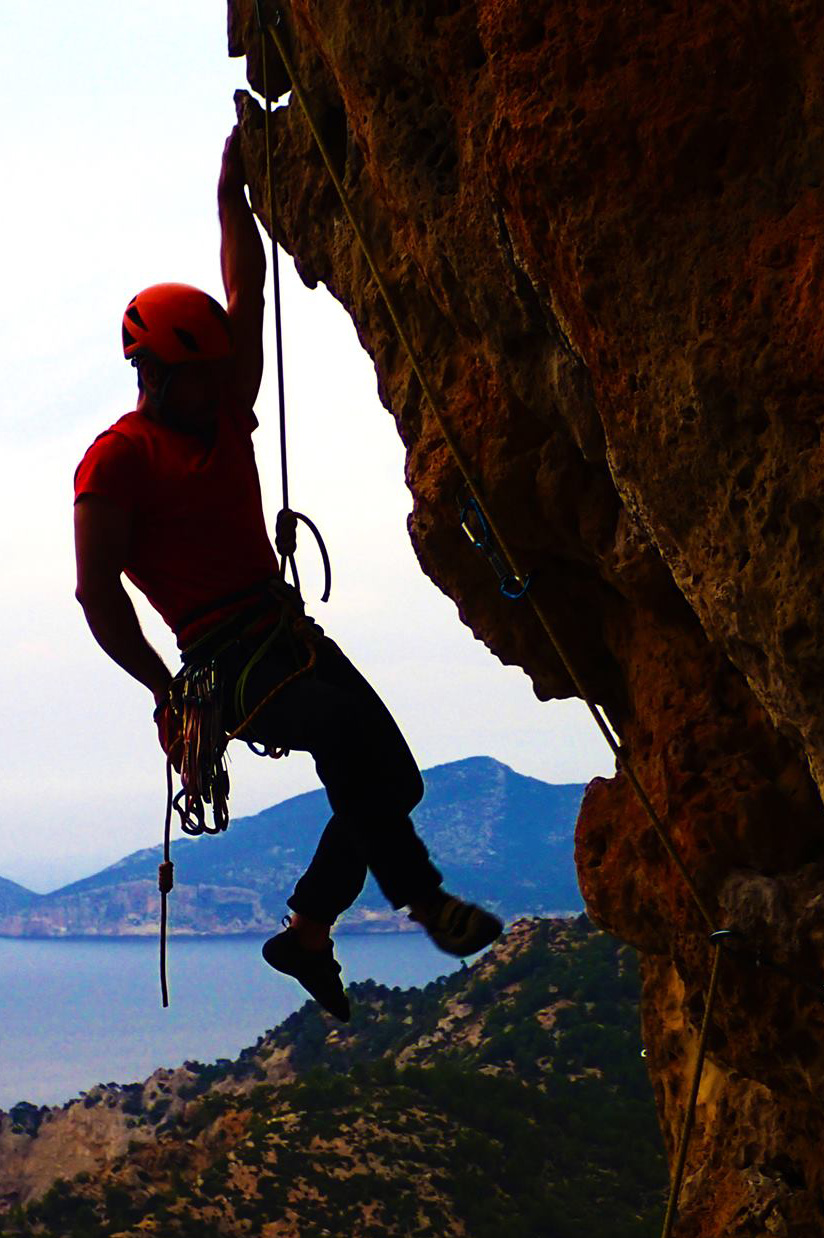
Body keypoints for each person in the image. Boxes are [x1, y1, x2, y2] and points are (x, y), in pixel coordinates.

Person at [73, 128, 502, 1023]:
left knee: (397, 781)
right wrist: (164, 690)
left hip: (284, 630)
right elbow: (97, 593)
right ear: (150, 374)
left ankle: (306, 933)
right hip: (226, 663)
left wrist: (234, 195)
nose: (219, 383)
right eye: (197, 374)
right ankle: (424, 903)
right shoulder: (115, 462)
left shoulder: (223, 411)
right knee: (348, 739)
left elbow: (247, 290)